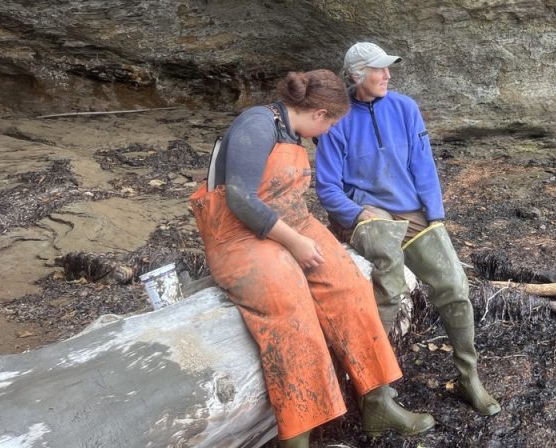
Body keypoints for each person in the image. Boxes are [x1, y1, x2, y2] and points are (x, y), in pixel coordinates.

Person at [190, 70, 434, 447]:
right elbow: (240, 200)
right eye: (331, 123)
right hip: (237, 236)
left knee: (350, 285)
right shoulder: (256, 125)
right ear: (319, 114)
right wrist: (295, 244)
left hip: (291, 221)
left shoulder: (293, 132)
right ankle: (298, 437)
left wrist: (298, 238)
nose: (329, 131)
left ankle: (377, 403)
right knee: (291, 308)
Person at [315, 43, 501, 417]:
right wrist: (355, 214)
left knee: (454, 284)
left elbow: (423, 166)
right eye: (378, 69)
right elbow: (327, 187)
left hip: (411, 210)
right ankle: (375, 394)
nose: (387, 75)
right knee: (390, 288)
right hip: (366, 214)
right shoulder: (336, 120)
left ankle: (469, 377)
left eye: (388, 68)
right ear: (357, 75)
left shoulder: (405, 108)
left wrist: (435, 216)